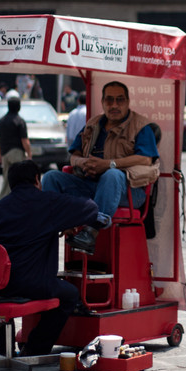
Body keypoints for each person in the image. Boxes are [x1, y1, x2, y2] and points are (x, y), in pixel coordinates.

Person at [0, 160, 98, 357]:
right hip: (31, 283)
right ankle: (35, 349)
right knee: (70, 295)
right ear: (37, 180)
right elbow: (90, 208)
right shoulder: (47, 202)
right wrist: (62, 222)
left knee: (6, 290)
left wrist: (55, 226)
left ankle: (4, 352)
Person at [41, 81, 160, 253]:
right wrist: (83, 163)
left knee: (112, 175)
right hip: (92, 185)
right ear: (103, 102)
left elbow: (146, 159)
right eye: (109, 100)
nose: (114, 105)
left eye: (120, 100)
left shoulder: (141, 126)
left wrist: (108, 164)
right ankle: (57, 225)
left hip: (129, 191)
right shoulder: (93, 124)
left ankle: (91, 231)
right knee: (51, 177)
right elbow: (73, 155)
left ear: (127, 102)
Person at [0, 98, 32, 199]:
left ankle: (3, 202)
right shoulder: (19, 121)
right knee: (19, 180)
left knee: (7, 180)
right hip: (17, 153)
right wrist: (29, 154)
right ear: (19, 107)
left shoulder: (1, 121)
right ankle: (18, 201)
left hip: (5, 153)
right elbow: (25, 140)